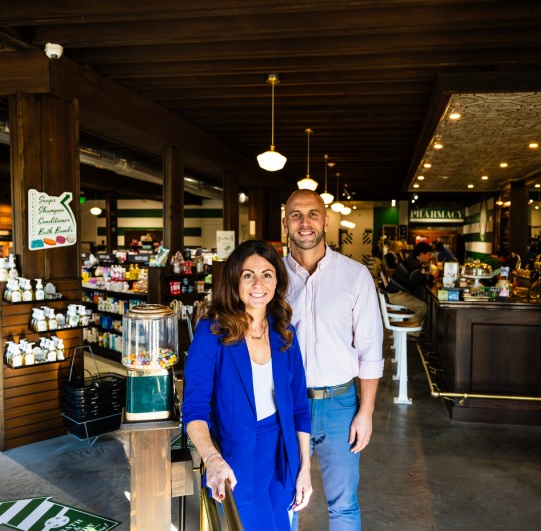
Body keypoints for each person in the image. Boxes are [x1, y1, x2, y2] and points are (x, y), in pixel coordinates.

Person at [183, 239, 312, 531]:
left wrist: (305, 468)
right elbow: (194, 407)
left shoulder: (284, 332)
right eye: (248, 275)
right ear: (234, 281)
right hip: (236, 458)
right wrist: (212, 458)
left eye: (267, 274)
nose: (258, 283)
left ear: (277, 281)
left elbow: (300, 407)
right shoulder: (212, 332)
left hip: (283, 455)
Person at [282, 189, 384, 531]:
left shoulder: (355, 276)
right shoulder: (271, 280)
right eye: (296, 214)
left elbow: (370, 350)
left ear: (326, 220)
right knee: (285, 500)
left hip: (340, 405)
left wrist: (366, 412)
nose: (305, 222)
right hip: (284, 403)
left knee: (343, 504)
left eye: (313, 214)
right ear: (285, 223)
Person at [385, 242, 435, 337]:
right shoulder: (414, 264)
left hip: (393, 292)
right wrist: (431, 277)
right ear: (421, 254)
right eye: (428, 254)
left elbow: (415, 278)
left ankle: (414, 332)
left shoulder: (411, 260)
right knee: (422, 306)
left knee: (420, 302)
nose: (430, 257)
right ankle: (410, 334)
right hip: (395, 294)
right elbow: (416, 279)